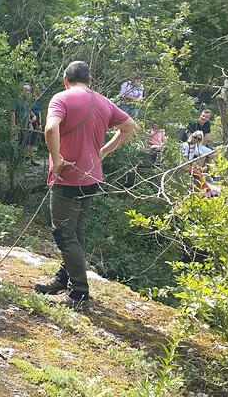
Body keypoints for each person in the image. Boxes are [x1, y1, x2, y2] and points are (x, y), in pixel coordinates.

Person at [34, 61, 136, 312]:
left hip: (68, 177)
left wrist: (57, 159)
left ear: (65, 80)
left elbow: (50, 128)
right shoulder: (103, 101)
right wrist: (103, 151)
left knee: (64, 234)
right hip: (92, 177)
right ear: (90, 80)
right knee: (76, 233)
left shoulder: (62, 98)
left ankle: (79, 292)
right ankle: (63, 278)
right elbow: (130, 127)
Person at [180, 130, 218, 196]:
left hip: (189, 164)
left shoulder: (195, 146)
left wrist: (198, 165)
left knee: (199, 174)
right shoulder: (185, 145)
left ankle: (204, 190)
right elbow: (184, 158)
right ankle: (207, 190)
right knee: (199, 174)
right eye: (195, 137)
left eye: (199, 139)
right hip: (183, 164)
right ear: (192, 136)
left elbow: (201, 154)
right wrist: (192, 165)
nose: (196, 140)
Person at [10, 83, 33, 155]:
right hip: (17, 125)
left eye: (28, 90)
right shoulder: (16, 100)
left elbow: (27, 113)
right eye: (25, 90)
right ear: (22, 90)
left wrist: (30, 124)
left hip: (25, 126)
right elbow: (12, 113)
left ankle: (20, 161)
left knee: (23, 144)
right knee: (14, 144)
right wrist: (13, 126)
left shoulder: (27, 101)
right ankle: (12, 162)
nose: (27, 92)